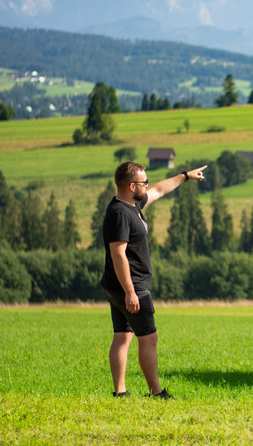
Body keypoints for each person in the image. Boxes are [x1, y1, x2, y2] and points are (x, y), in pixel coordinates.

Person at [100, 161, 207, 398]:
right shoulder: (120, 214)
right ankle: (156, 392)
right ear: (131, 185)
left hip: (117, 286)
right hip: (131, 287)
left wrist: (185, 176)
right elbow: (118, 254)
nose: (147, 185)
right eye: (143, 182)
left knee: (122, 336)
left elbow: (159, 190)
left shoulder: (130, 205)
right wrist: (130, 291)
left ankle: (120, 392)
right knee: (149, 339)